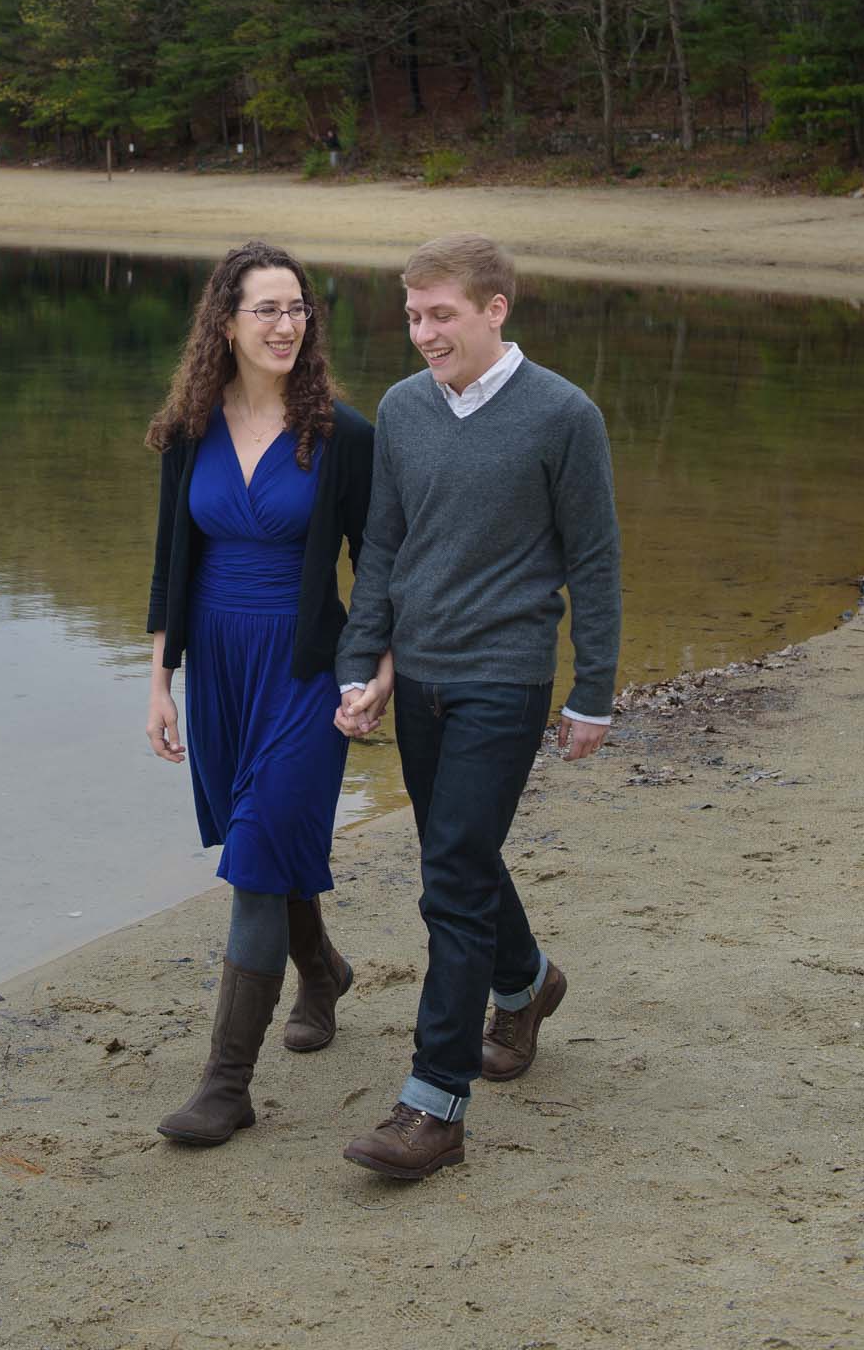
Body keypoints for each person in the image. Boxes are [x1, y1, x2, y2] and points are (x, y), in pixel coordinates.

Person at [334, 233, 620, 1181]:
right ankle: (528, 982)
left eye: (440, 314)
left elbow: (593, 560)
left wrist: (592, 694)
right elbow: (380, 547)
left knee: (450, 875)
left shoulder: (562, 415)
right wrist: (359, 663)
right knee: (455, 849)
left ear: (496, 309)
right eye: (412, 315)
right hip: (416, 675)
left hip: (505, 672)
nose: (421, 333)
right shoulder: (404, 410)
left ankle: (433, 1106)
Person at [145, 239, 381, 1147]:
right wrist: (160, 680)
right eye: (267, 311)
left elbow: (377, 565)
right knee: (264, 835)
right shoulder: (188, 430)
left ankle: (225, 1086)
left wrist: (370, 669)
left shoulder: (342, 435)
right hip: (218, 670)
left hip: (301, 669)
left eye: (298, 310)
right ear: (226, 324)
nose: (287, 326)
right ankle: (319, 969)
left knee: (253, 854)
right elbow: (173, 560)